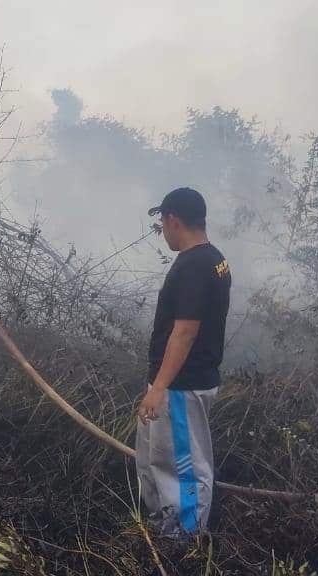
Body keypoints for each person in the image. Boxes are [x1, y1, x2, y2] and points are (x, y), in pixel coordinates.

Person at [136, 187, 231, 536]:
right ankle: (165, 528)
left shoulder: (195, 266)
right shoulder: (214, 259)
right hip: (181, 382)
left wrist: (159, 387)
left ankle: (184, 542)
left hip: (180, 386)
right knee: (158, 461)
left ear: (173, 220)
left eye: (162, 223)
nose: (163, 231)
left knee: (183, 468)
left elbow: (185, 332)